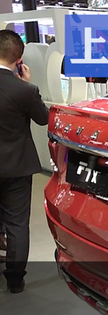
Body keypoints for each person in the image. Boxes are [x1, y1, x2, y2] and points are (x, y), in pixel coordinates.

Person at [0, 30, 49, 293]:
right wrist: (28, 84)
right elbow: (43, 118)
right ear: (19, 60)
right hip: (17, 167)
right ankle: (15, 280)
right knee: (18, 224)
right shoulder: (25, 91)